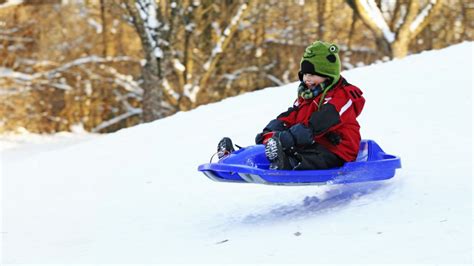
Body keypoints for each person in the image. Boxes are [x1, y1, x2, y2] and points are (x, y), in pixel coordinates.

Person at [217, 41, 365, 170]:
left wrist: (293, 136)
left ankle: (288, 163)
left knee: (301, 154)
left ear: (328, 75)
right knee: (278, 145)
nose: (307, 78)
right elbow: (293, 115)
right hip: (311, 143)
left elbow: (323, 120)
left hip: (337, 150)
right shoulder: (308, 95)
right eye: (305, 74)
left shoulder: (343, 96)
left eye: (313, 74)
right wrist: (272, 130)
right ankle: (237, 159)